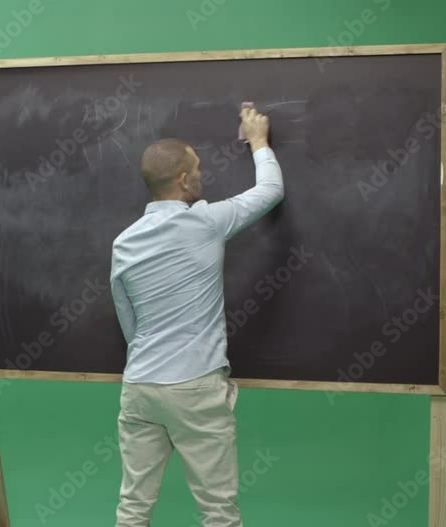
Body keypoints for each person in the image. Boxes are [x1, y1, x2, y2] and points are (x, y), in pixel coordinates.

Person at [109, 106, 284, 527]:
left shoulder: (123, 243)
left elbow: (127, 320)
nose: (203, 175)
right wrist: (259, 141)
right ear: (185, 179)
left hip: (140, 385)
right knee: (218, 511)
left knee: (133, 506)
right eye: (199, 169)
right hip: (195, 385)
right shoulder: (206, 221)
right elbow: (270, 190)